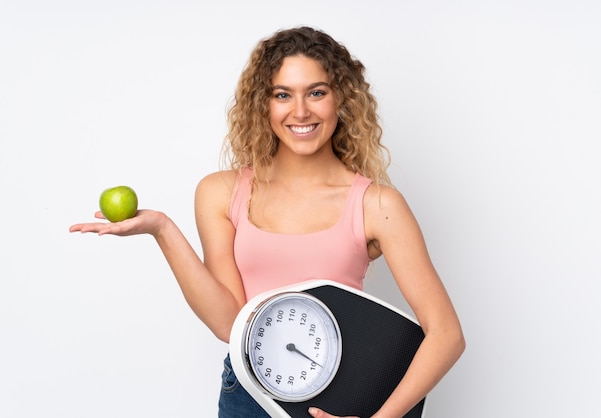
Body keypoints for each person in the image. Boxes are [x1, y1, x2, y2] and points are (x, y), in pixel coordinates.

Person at [70, 26, 465, 418]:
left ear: (341, 99)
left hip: (340, 401)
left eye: (316, 92)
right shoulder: (221, 193)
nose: (300, 111)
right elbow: (229, 324)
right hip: (247, 395)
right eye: (282, 95)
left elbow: (446, 334)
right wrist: (162, 229)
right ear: (264, 104)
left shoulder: (377, 204)